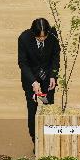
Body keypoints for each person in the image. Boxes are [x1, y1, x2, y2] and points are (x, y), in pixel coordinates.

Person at [18, 18, 60, 149]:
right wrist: (33, 82)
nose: (42, 39)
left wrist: (53, 75)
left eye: (44, 36)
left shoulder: (52, 35)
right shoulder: (24, 38)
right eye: (39, 37)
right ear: (33, 33)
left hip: (48, 77)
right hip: (31, 77)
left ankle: (50, 141)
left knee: (49, 107)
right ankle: (36, 142)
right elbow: (23, 63)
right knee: (33, 109)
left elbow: (55, 56)